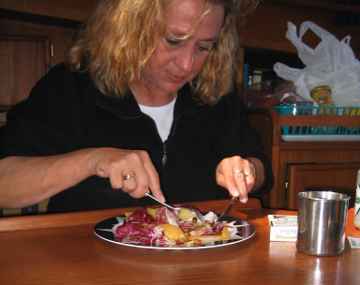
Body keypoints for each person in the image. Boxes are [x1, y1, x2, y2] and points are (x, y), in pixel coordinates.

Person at [0, 0, 272, 214]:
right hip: (92, 273)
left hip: (199, 272)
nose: (187, 65)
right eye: (173, 41)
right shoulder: (71, 88)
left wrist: (247, 170)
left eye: (203, 47)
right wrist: (94, 161)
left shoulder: (215, 95)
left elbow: (262, 170)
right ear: (131, 28)